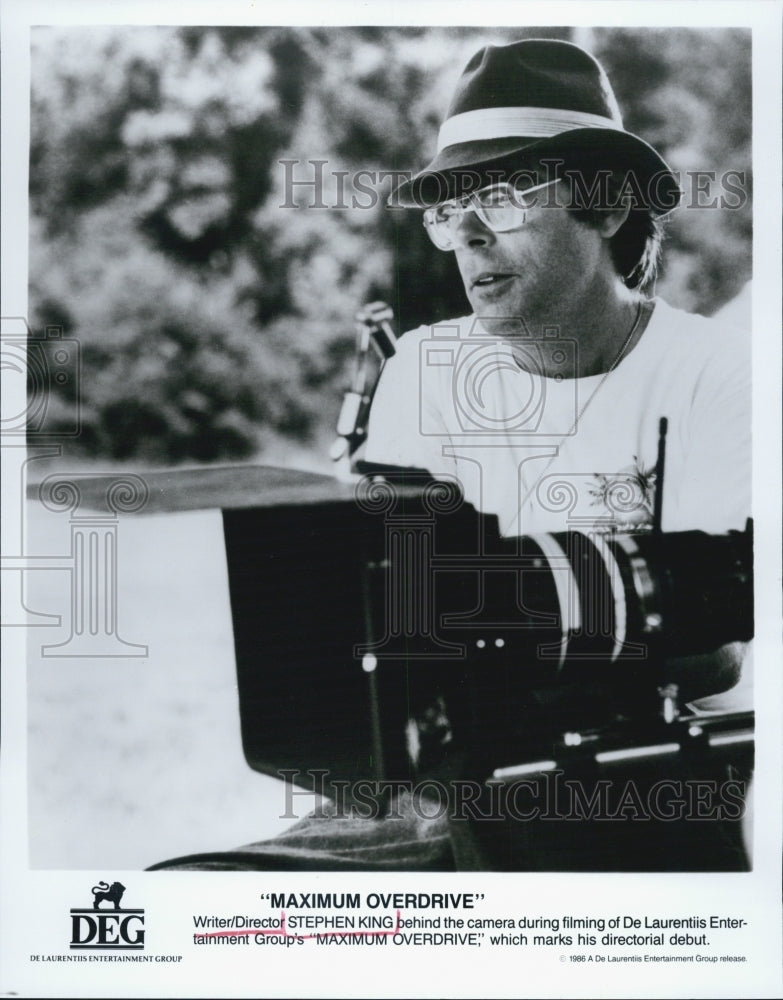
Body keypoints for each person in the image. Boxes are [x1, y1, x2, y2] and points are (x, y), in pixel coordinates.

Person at [150, 38, 751, 873]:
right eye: (447, 208)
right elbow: (371, 619)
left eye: (500, 197)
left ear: (607, 203)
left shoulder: (716, 372)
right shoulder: (421, 366)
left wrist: (477, 604)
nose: (466, 234)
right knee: (194, 899)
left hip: (631, 788)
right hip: (430, 785)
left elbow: (714, 651)